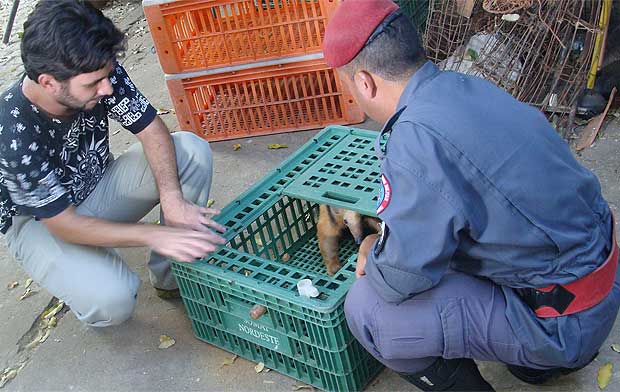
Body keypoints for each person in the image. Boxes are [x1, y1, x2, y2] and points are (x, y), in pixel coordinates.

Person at [322, 1, 620, 390]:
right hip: (596, 282)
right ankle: (539, 364)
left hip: (565, 322)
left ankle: (544, 356)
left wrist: (374, 250)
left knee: (369, 310)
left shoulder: (414, 138)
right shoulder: (461, 86)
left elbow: (399, 279)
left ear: (364, 82)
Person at [0, 0, 227, 327]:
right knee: (112, 299)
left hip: (95, 187)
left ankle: (173, 277)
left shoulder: (94, 69)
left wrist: (173, 199)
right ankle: (85, 271)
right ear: (48, 82)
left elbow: (151, 129)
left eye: (107, 75)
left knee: (189, 150)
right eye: (94, 84)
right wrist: (152, 234)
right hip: (42, 223)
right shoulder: (11, 130)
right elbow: (64, 224)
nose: (106, 88)